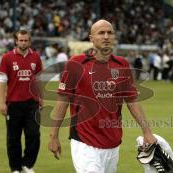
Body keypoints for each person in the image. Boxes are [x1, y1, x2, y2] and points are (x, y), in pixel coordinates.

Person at [48, 19, 156, 173]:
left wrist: (147, 132)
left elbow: (132, 100)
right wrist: (53, 136)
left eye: (109, 33)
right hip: (85, 142)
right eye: (101, 33)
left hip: (113, 142)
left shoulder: (122, 64)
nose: (106, 36)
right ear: (91, 38)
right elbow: (62, 101)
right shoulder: (75, 64)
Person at [0, 29, 43, 173]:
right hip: (13, 104)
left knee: (34, 135)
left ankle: (28, 164)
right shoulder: (7, 57)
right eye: (21, 40)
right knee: (13, 138)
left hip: (32, 103)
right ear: (16, 41)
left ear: (29, 41)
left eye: (26, 40)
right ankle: (15, 168)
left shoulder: (36, 57)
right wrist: (1, 102)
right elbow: (2, 81)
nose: (23, 42)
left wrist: (41, 98)